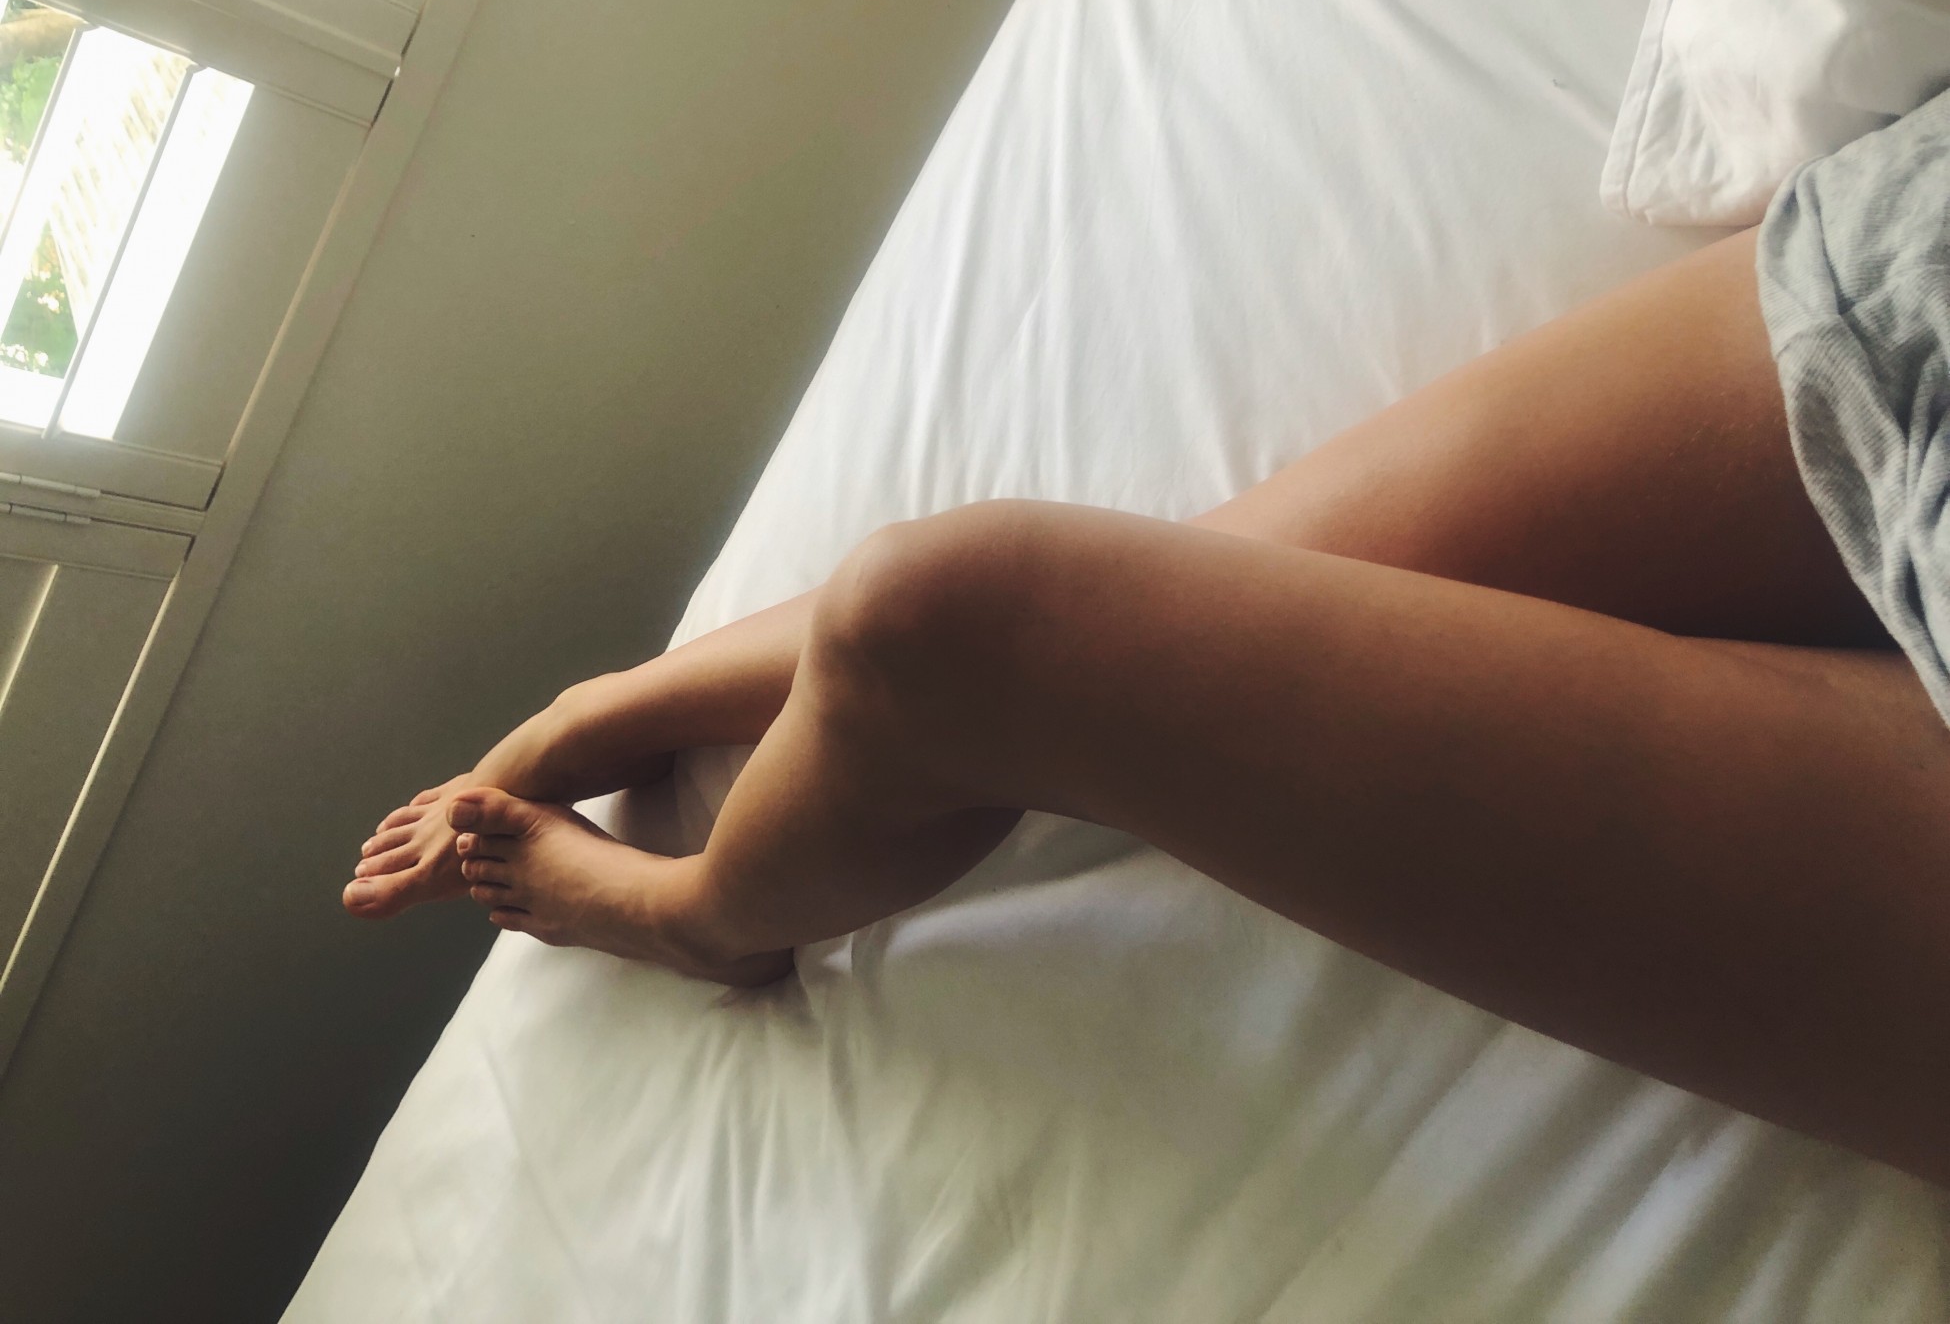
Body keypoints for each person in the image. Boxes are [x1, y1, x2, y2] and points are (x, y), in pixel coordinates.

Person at [344, 94, 1950, 1189]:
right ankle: (621, 704)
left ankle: (704, 914)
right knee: (1178, 584)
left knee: (957, 622)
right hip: (1918, 264)